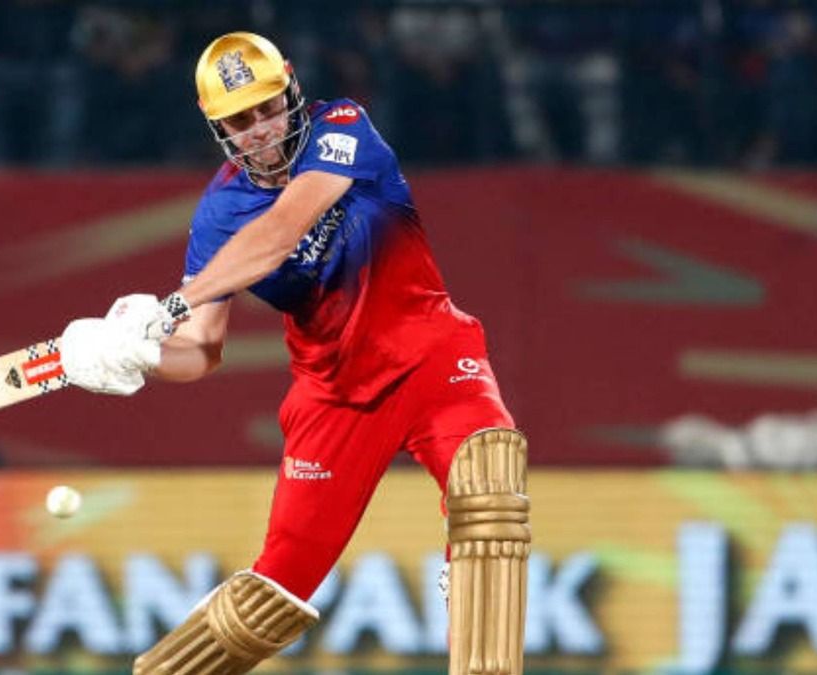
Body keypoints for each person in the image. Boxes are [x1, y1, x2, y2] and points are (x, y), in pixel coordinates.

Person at [58, 32, 531, 675]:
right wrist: (135, 360)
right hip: (333, 398)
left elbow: (282, 232)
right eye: (239, 120)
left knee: (489, 486)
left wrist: (169, 304)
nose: (259, 129)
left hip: (433, 359)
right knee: (271, 595)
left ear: (291, 94)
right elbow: (200, 350)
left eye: (267, 108)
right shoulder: (218, 214)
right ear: (217, 126)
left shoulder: (342, 127)